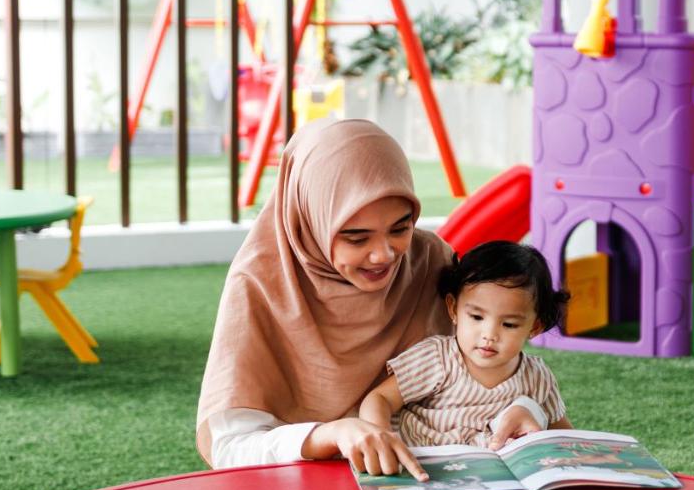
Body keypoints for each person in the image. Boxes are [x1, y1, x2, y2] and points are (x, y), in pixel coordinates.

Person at [196, 118, 543, 470]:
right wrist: (329, 434)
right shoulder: (259, 283)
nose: (384, 255)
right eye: (356, 237)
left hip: (420, 475)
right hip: (304, 484)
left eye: (400, 229)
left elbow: (485, 366)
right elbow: (232, 448)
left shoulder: (429, 260)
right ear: (311, 220)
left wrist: (525, 408)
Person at [358, 241, 573, 481]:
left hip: (488, 480)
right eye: (477, 317)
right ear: (453, 309)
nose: (489, 334)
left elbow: (564, 437)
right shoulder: (437, 358)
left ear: (534, 327)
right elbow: (379, 398)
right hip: (418, 465)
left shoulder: (537, 377)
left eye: (509, 324)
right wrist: (382, 437)